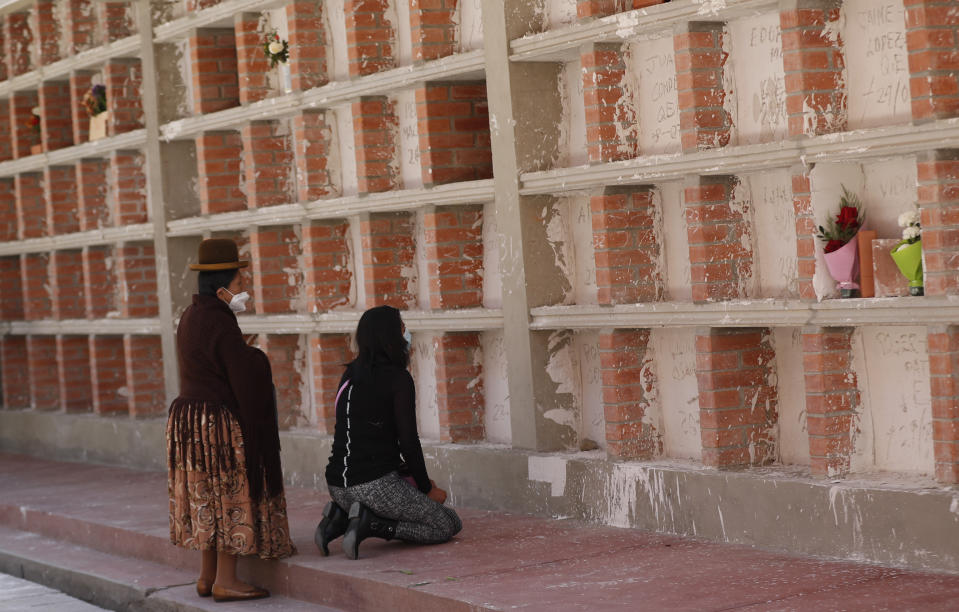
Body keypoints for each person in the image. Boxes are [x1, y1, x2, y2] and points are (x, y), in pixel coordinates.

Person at [167, 238, 296, 603]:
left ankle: (207, 577)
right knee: (228, 493)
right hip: (215, 421)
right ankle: (227, 580)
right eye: (240, 283)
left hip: (189, 419)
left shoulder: (191, 315)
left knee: (206, 495)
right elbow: (241, 375)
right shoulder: (220, 322)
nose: (244, 289)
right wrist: (255, 356)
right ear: (222, 286)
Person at [315, 305, 462, 559]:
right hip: (372, 486)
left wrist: (412, 482)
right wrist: (427, 488)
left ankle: (339, 517)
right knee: (447, 523)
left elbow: (362, 436)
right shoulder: (398, 379)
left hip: (337, 485)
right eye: (402, 327)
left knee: (408, 498)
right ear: (390, 335)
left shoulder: (349, 375)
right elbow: (408, 440)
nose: (406, 331)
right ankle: (371, 524)